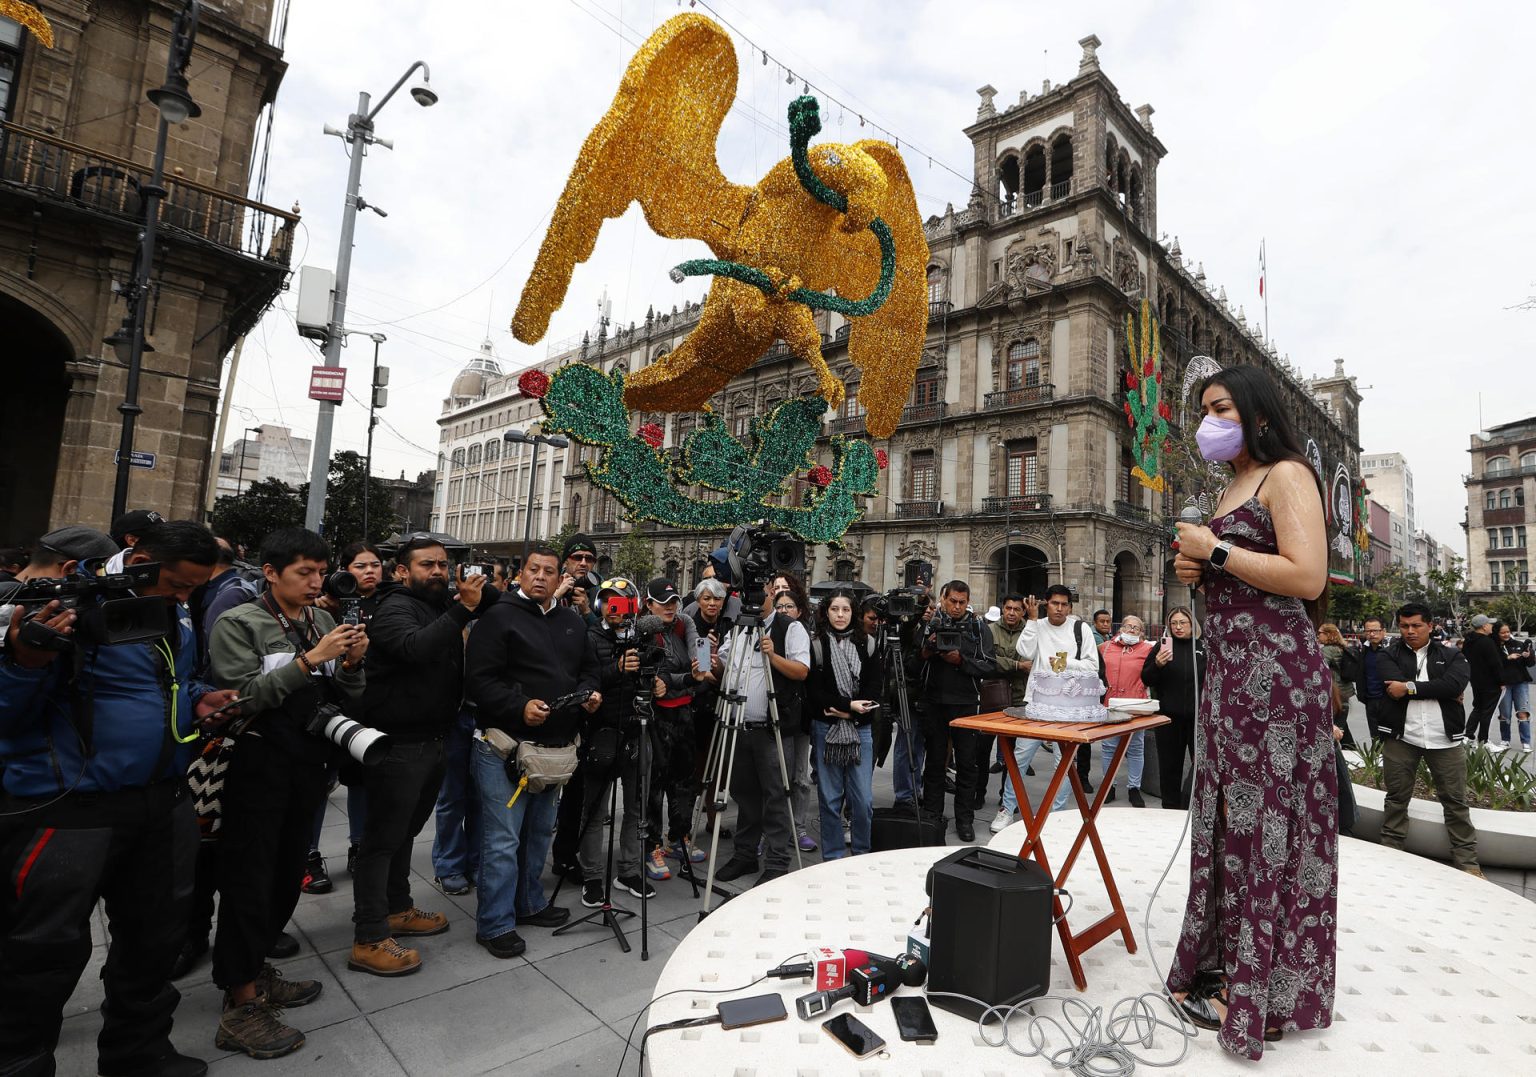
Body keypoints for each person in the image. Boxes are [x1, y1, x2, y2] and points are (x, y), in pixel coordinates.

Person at [0, 521, 229, 1077]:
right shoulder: (61, 605)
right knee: (40, 955)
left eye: (193, 589)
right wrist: (25, 661)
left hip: (163, 801)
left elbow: (173, 681)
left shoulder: (172, 611)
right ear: (139, 557)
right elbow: (7, 714)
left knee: (154, 939)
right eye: (176, 584)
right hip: (69, 810)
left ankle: (139, 1054)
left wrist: (200, 699)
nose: (184, 597)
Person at [1167, 366, 1337, 1059]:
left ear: (1257, 412)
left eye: (1221, 407)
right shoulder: (1226, 485)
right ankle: (1227, 964)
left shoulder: (1287, 475)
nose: (1209, 419)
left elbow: (1307, 575)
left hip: (1278, 678)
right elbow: (1232, 568)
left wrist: (1220, 551)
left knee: (1270, 824)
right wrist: (1197, 570)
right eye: (1205, 409)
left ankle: (1264, 988)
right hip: (1231, 675)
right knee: (1230, 818)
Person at [208, 527, 367, 1059]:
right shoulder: (240, 622)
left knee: (284, 879)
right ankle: (240, 1002)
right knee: (249, 879)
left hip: (309, 764)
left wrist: (349, 664)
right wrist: (308, 659)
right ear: (270, 573)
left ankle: (256, 970)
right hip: (258, 765)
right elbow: (240, 699)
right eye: (304, 572)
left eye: (321, 572)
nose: (316, 582)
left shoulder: (321, 619)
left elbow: (345, 694)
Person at [348, 536, 498, 976]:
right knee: (380, 841)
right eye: (427, 565)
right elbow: (416, 648)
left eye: (442, 565)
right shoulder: (395, 607)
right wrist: (461, 610)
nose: (437, 571)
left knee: (405, 833)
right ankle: (370, 936)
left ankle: (398, 908)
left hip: (432, 739)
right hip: (397, 744)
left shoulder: (436, 605)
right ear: (402, 571)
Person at [464, 545, 601, 958]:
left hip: (554, 753)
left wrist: (590, 693)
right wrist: (517, 706)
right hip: (504, 749)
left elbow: (589, 668)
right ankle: (495, 923)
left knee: (539, 834)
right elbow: (478, 682)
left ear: (560, 577)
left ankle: (529, 904)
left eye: (549, 571)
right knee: (503, 841)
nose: (541, 577)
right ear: (519, 575)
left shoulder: (571, 622)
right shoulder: (498, 617)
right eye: (533, 570)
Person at [1369, 603, 1481, 874]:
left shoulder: (1452, 654)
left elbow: (1454, 685)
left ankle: (1468, 863)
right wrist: (1437, 689)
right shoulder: (1387, 654)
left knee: (1455, 801)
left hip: (1444, 739)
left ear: (1430, 626)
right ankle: (1390, 853)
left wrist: (1408, 687)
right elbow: (1391, 688)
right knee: (1396, 798)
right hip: (1402, 737)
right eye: (1405, 626)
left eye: (1416, 625)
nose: (1410, 631)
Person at [302, 540, 388, 895]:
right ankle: (308, 855)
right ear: (343, 573)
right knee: (321, 784)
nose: (369, 572)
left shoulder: (389, 603)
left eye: (375, 565)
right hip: (325, 707)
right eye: (360, 566)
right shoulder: (321, 609)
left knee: (361, 781)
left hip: (368, 705)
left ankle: (357, 847)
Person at [714, 584, 811, 886]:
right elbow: (725, 669)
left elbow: (801, 671)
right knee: (745, 796)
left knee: (776, 796)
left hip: (773, 730)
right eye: (748, 594)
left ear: (771, 593)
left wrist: (773, 655)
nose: (754, 600)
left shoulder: (790, 628)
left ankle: (777, 860)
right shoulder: (738, 628)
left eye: (761, 593)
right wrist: (709, 663)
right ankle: (745, 855)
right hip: (739, 725)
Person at [993, 585, 1101, 833]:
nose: (1059, 609)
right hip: (1037, 703)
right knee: (1020, 757)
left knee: (1062, 763)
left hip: (1069, 705)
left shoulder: (1080, 628)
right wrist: (1031, 620)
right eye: (1054, 603)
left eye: (1064, 604)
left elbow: (1092, 666)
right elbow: (1024, 651)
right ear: (1046, 604)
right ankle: (1007, 808)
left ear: (1070, 607)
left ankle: (1057, 813)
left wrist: (1065, 663)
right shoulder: (1037, 625)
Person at [577, 578, 655, 905]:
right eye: (609, 603)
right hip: (603, 730)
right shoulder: (590, 637)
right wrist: (617, 668)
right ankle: (592, 877)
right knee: (594, 809)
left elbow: (658, 672)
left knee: (637, 807)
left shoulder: (644, 635)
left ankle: (629, 870)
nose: (615, 609)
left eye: (621, 603)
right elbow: (587, 679)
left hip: (639, 729)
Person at [917, 579, 997, 842]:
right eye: (952, 601)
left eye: (962, 602)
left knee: (967, 764)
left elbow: (989, 666)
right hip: (934, 701)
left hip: (965, 703)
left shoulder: (978, 627)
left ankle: (965, 820)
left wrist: (961, 660)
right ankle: (931, 816)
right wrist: (929, 648)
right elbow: (913, 660)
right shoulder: (930, 622)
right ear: (943, 598)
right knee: (935, 762)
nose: (957, 607)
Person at [807, 589, 883, 857]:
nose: (840, 615)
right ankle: (833, 856)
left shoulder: (869, 644)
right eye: (835, 609)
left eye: (846, 609)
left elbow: (874, 690)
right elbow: (815, 693)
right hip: (825, 729)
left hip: (860, 730)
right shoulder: (817, 644)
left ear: (855, 613)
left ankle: (861, 853)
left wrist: (850, 713)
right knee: (829, 799)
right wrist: (847, 704)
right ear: (825, 612)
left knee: (863, 799)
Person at [640, 577, 704, 880]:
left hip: (684, 714)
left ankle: (679, 837)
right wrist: (689, 678)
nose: (670, 607)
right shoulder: (646, 632)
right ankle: (652, 845)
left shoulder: (684, 622)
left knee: (685, 781)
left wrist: (699, 667)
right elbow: (662, 680)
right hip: (656, 717)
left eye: (673, 601)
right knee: (654, 783)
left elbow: (698, 654)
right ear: (649, 604)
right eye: (662, 602)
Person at [550, 535, 603, 880]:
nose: (583, 563)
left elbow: (601, 642)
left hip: (581, 702)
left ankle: (565, 857)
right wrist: (558, 597)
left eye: (589, 558)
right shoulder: (547, 590)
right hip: (545, 700)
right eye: (577, 557)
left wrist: (586, 610)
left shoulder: (600, 597)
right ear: (565, 561)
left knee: (576, 790)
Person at [768, 574, 817, 852]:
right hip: (776, 713)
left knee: (800, 777)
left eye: (790, 606)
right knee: (776, 777)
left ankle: (797, 828)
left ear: (799, 611)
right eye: (780, 606)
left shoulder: (806, 636)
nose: (784, 611)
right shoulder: (769, 634)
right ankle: (773, 831)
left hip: (800, 716)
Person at [1139, 607, 1205, 809]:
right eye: (1173, 623)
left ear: (1192, 624)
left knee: (1201, 766)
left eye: (1182, 623)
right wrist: (1157, 665)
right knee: (1169, 767)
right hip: (1169, 719)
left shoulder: (1203, 647)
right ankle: (1169, 808)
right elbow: (1146, 679)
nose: (1178, 627)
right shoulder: (1161, 647)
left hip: (1199, 719)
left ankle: (1197, 807)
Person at [1097, 614, 1155, 806]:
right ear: (1120, 628)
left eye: (1136, 628)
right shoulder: (1105, 648)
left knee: (1136, 748)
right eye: (1128, 626)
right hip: (1110, 705)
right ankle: (1109, 786)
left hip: (1135, 705)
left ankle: (1134, 788)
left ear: (1141, 633)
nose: (1131, 630)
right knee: (1108, 748)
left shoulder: (1148, 649)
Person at [1460, 614, 1503, 748]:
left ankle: (1468, 735)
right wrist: (1501, 681)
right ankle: (1483, 740)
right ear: (1484, 627)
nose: (1491, 626)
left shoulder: (1468, 640)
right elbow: (1495, 664)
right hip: (1490, 682)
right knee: (1487, 711)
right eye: (1490, 624)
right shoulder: (1487, 641)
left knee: (1478, 708)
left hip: (1475, 680)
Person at [1316, 623, 1357, 749]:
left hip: (1336, 692)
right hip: (1346, 690)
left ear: (1328, 635)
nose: (1317, 636)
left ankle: (1342, 751)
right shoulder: (1342, 647)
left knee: (1337, 724)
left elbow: (1319, 668)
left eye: (1320, 633)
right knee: (1341, 720)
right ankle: (1351, 748)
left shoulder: (1327, 650)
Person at [1495, 622, 1533, 751]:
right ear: (1497, 633)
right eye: (1502, 632)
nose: (1506, 634)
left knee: (1522, 712)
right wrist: (1508, 658)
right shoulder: (1494, 646)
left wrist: (1529, 656)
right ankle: (1505, 740)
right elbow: (1493, 664)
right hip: (1503, 684)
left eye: (1507, 631)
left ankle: (1526, 742)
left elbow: (1530, 664)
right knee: (1505, 714)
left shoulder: (1519, 644)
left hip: (1520, 683)